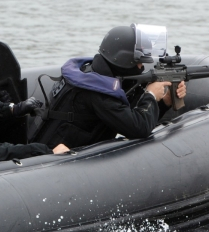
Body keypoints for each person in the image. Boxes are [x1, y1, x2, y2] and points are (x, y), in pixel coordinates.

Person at [31, 24, 187, 149]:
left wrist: (164, 101)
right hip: (54, 159)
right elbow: (139, 129)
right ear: (124, 60)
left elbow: (127, 115)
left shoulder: (94, 74)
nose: (141, 67)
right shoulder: (98, 91)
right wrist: (151, 96)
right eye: (138, 61)